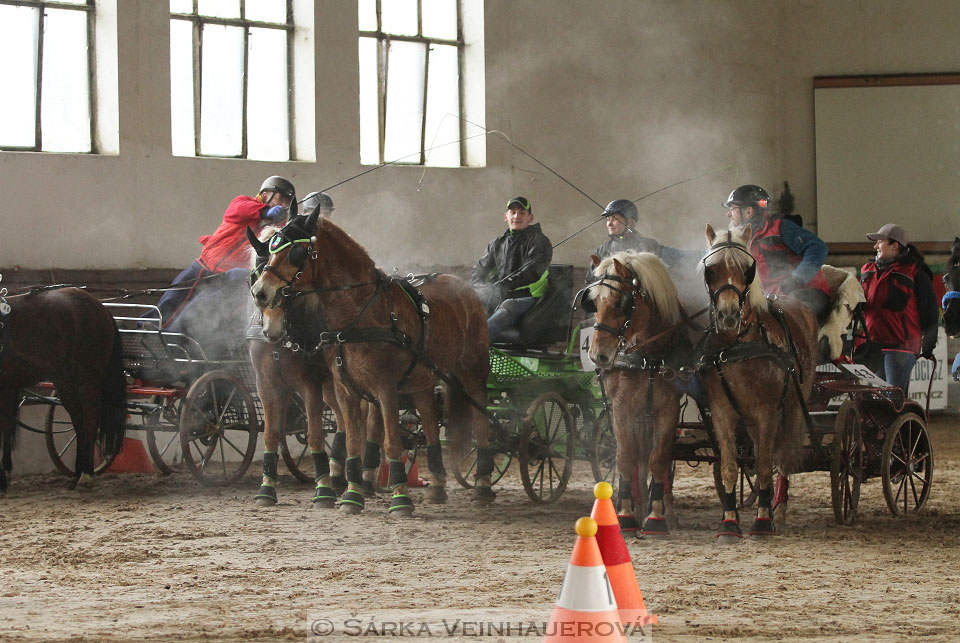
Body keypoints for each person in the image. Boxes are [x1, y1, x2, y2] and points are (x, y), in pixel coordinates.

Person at [154, 176, 295, 326]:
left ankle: (172, 337)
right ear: (266, 194)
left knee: (194, 313)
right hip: (204, 267)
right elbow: (240, 209)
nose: (284, 204)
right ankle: (149, 327)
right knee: (172, 299)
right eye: (281, 198)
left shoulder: (278, 227)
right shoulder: (243, 203)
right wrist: (265, 212)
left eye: (287, 202)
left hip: (226, 279)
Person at [724, 184, 831, 324]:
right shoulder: (744, 239)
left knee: (788, 310)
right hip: (774, 298)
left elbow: (818, 248)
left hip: (807, 293)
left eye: (733, 209)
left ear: (748, 212)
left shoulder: (782, 228)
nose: (728, 214)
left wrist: (797, 279)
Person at [860, 223, 938, 393]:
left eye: (880, 241)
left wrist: (929, 341)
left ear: (894, 246)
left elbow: (929, 308)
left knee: (893, 396)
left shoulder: (915, 272)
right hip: (872, 345)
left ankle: (901, 418)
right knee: (879, 397)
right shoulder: (867, 271)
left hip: (901, 347)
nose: (875, 246)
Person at [470, 196, 552, 341]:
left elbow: (532, 272)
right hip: (500, 294)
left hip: (528, 297)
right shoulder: (497, 244)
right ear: (505, 217)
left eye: (521, 213)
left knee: (508, 305)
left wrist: (504, 285)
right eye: (512, 212)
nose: (516, 216)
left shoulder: (539, 241)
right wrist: (478, 289)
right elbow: (479, 270)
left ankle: (476, 343)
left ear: (530, 218)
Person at [584, 199, 689, 283]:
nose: (609, 224)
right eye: (608, 219)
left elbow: (679, 258)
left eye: (615, 219)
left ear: (629, 222)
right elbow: (590, 282)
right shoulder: (602, 250)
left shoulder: (648, 245)